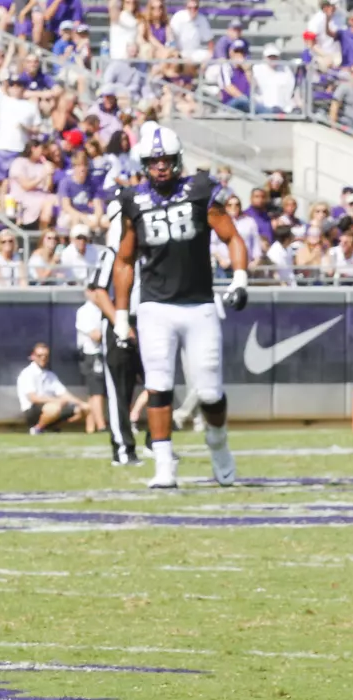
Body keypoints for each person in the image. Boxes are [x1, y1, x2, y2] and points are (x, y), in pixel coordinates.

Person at [109, 125, 250, 489]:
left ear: (177, 160)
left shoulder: (199, 191)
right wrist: (121, 316)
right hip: (156, 307)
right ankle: (164, 466)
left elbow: (231, 235)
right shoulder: (133, 201)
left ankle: (218, 447)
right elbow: (124, 261)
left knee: (209, 393)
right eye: (154, 161)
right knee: (158, 386)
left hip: (199, 305)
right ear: (144, 163)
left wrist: (239, 279)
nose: (160, 167)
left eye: (166, 160)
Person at [91, 182, 143, 465]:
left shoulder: (145, 253)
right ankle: (123, 449)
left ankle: (156, 442)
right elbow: (99, 293)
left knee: (159, 383)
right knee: (119, 392)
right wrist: (120, 323)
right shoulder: (111, 254)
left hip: (147, 321)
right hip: (120, 324)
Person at [17, 342, 86, 433]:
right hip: (32, 409)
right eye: (39, 355)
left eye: (46, 356)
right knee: (54, 408)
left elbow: (64, 394)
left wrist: (82, 404)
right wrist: (57, 401)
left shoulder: (50, 375)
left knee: (81, 409)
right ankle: (37, 429)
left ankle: (49, 427)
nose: (43, 358)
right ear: (33, 356)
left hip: (50, 406)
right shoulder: (27, 373)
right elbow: (34, 398)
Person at [77, 290, 108, 432]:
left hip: (102, 353)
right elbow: (95, 335)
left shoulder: (103, 308)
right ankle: (101, 426)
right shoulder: (85, 311)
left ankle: (91, 428)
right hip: (92, 354)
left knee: (95, 392)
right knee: (97, 391)